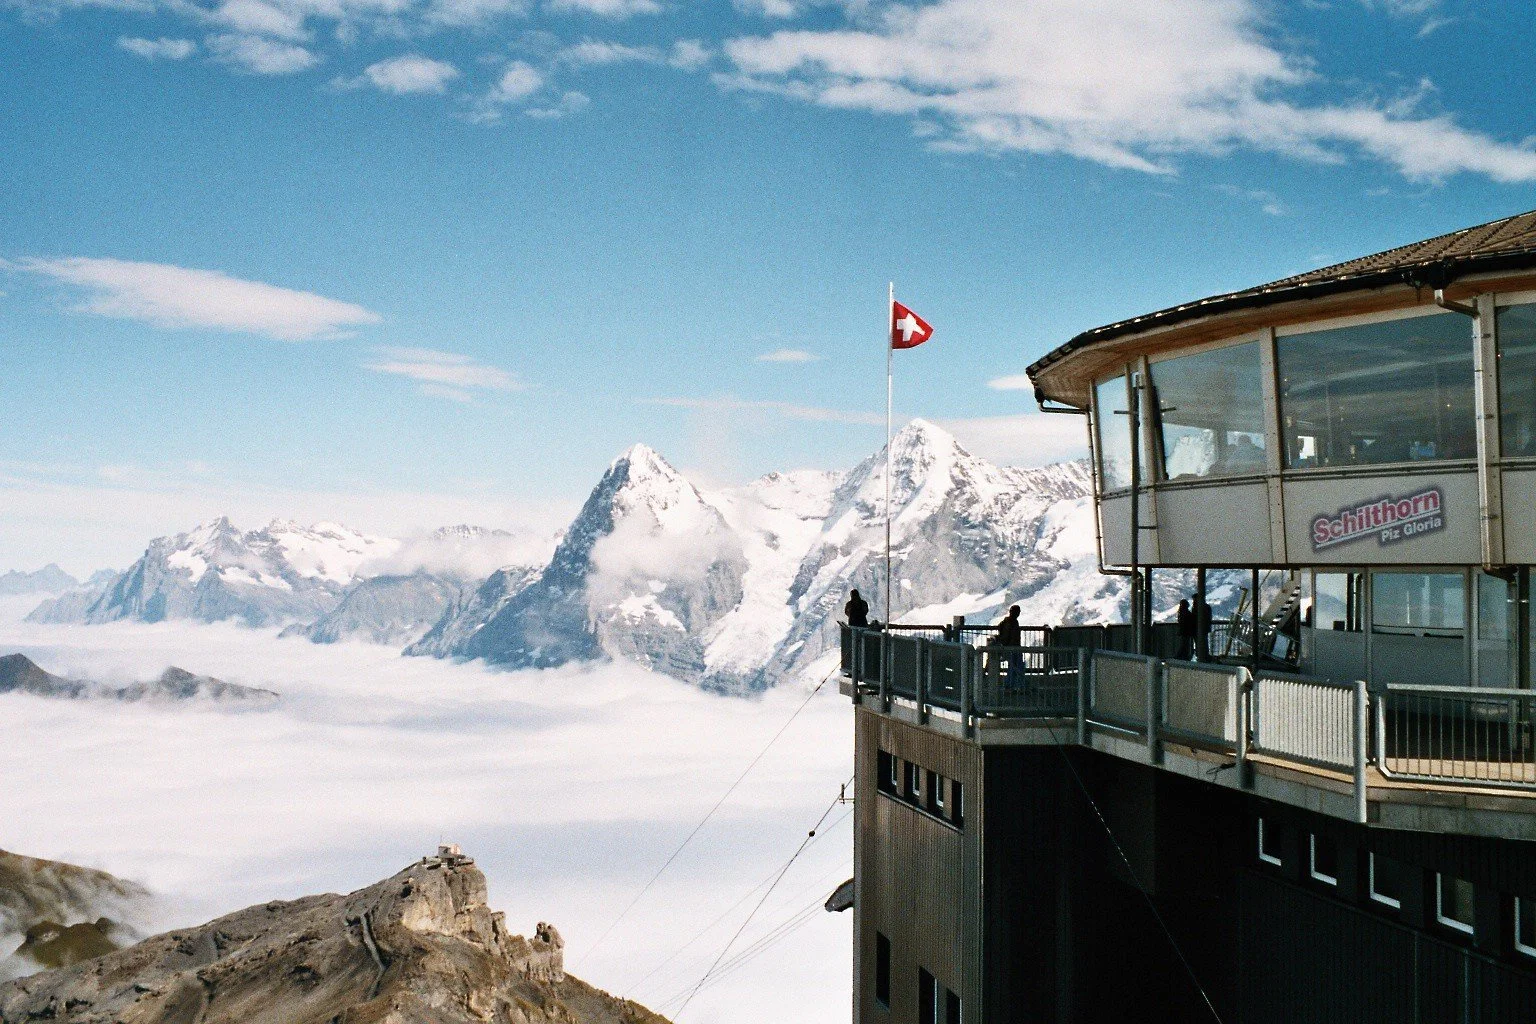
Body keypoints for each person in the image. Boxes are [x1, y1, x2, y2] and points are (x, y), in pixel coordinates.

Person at [996, 605, 1024, 691]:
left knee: (1014, 667)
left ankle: (1012, 684)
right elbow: (1007, 636)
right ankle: (1012, 685)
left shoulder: (1009, 622)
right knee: (1015, 667)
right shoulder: (1011, 623)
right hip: (1013, 648)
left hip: (1012, 648)